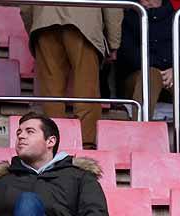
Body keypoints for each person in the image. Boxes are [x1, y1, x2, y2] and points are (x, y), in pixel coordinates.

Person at [21, 6, 122, 148]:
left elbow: (25, 7)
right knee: (86, 90)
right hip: (84, 22)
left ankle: (53, 145)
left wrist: (35, 25)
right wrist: (113, 42)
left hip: (45, 20)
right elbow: (113, 6)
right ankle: (86, 145)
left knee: (52, 92)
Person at [116, 0, 180, 122]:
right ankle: (139, 134)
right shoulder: (130, 19)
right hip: (140, 79)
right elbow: (127, 54)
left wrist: (176, 68)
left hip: (175, 77)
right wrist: (159, 70)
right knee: (151, 75)